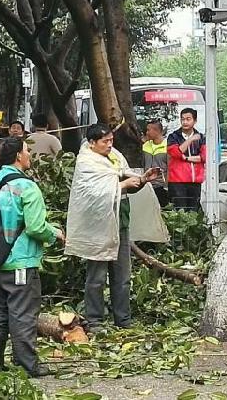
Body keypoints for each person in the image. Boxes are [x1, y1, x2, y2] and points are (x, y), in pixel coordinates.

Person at [65, 124, 157, 333]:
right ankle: (94, 320)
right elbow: (94, 193)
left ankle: (123, 320)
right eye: (105, 141)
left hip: (120, 222)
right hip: (96, 228)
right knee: (96, 278)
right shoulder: (86, 162)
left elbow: (127, 182)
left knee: (122, 275)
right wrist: (122, 186)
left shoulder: (115, 157)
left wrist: (142, 179)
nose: (109, 145)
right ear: (92, 143)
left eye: (111, 140)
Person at [0, 137, 64, 378]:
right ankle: (27, 365)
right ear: (18, 156)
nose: (29, 154)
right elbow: (35, 227)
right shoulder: (27, 187)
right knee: (23, 315)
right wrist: (56, 233)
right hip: (21, 262)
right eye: (27, 151)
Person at [167, 108, 206, 211]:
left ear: (195, 121)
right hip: (177, 182)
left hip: (195, 181)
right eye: (182, 119)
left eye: (188, 119)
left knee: (193, 212)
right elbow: (176, 153)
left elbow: (204, 157)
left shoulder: (201, 138)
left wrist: (186, 158)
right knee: (179, 212)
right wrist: (190, 140)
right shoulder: (173, 137)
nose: (185, 122)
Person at [142, 121, 169, 208]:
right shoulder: (145, 145)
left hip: (161, 186)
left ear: (157, 131)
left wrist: (166, 186)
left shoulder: (167, 146)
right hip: (147, 185)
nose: (146, 133)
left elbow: (171, 168)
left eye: (148, 130)